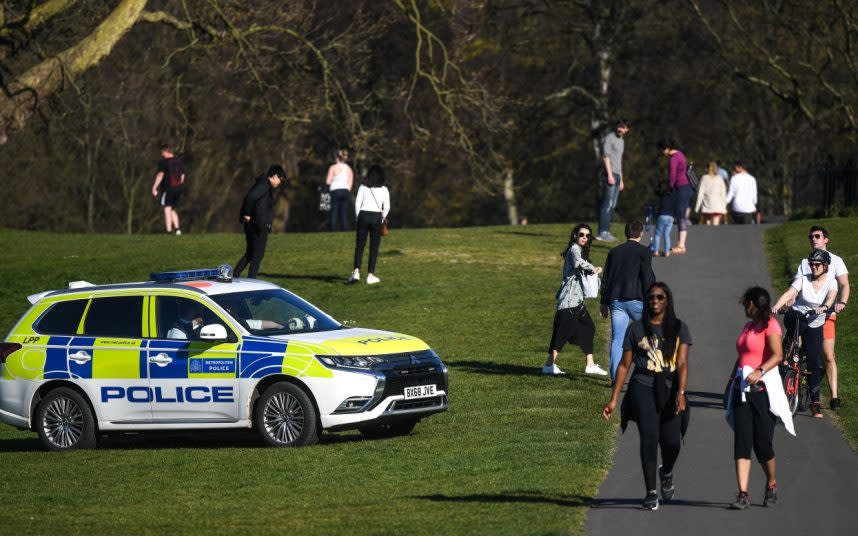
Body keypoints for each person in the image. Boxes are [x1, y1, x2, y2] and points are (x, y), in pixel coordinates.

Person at [602, 282, 691, 511]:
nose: (655, 301)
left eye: (660, 297)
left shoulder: (680, 328)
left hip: (670, 388)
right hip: (642, 386)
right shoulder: (636, 329)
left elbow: (682, 363)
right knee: (649, 438)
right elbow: (624, 365)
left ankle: (667, 471)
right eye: (651, 297)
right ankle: (651, 492)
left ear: (667, 300)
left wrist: (681, 393)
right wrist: (614, 399)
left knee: (672, 441)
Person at [725, 287, 795, 510]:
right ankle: (743, 494)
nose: (744, 307)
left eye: (746, 303)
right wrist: (731, 382)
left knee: (762, 444)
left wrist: (760, 371)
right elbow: (742, 357)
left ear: (754, 304)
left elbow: (777, 355)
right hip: (742, 390)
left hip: (763, 391)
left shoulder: (770, 325)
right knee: (742, 442)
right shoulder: (748, 326)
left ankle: (771, 483)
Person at [771, 249, 838, 418]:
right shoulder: (804, 279)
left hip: (815, 322)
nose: (813, 267)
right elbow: (790, 293)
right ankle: (789, 349)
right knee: (796, 319)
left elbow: (831, 297)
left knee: (814, 363)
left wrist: (824, 307)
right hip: (797, 317)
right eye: (811, 264)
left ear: (825, 266)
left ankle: (815, 404)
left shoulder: (831, 282)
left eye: (817, 265)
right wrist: (777, 306)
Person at [793, 226, 850, 409]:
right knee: (795, 348)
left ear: (826, 239)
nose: (813, 239)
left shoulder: (836, 261)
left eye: (817, 236)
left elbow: (844, 284)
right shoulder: (805, 262)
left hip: (826, 315)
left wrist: (842, 302)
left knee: (828, 354)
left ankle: (834, 397)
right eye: (811, 237)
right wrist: (791, 299)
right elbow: (796, 284)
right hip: (805, 313)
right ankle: (791, 385)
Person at [543, 224, 606, 376]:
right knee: (561, 334)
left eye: (587, 236)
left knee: (588, 327)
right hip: (569, 301)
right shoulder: (574, 250)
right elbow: (578, 263)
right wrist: (594, 268)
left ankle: (590, 364)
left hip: (577, 302)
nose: (584, 237)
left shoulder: (580, 251)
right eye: (581, 234)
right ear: (575, 236)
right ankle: (548, 365)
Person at [600, 220, 656, 381]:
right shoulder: (644, 252)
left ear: (626, 233)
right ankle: (649, 374)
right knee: (649, 336)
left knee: (617, 340)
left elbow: (606, 278)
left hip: (616, 301)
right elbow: (647, 277)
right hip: (637, 300)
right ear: (641, 233)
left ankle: (616, 379)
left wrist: (603, 301)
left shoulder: (614, 252)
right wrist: (652, 300)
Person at [234, 165, 285, 279]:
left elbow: (251, 199)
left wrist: (246, 215)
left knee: (251, 253)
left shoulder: (262, 184)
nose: (280, 182)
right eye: (280, 179)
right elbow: (250, 198)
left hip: (256, 224)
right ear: (275, 176)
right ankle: (251, 281)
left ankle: (234, 276)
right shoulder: (264, 185)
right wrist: (246, 214)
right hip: (259, 225)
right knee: (258, 255)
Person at [349, 164, 390, 285]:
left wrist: (358, 217)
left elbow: (357, 204)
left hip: (363, 215)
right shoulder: (384, 189)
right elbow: (387, 207)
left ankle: (356, 272)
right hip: (376, 217)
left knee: (360, 246)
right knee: (374, 247)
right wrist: (381, 220)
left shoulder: (363, 187)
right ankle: (370, 276)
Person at [597, 119, 630, 242]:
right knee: (607, 203)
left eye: (623, 127)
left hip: (617, 174)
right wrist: (609, 175)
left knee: (613, 204)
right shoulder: (609, 138)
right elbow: (606, 157)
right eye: (619, 126)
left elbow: (619, 161)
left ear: (627, 129)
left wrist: (621, 179)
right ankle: (602, 232)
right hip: (609, 174)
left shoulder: (621, 141)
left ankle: (607, 232)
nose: (620, 129)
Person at [656, 139, 691, 254]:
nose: (662, 152)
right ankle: (681, 244)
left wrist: (669, 188)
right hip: (686, 187)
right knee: (681, 215)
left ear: (667, 148)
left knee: (680, 216)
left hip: (680, 187)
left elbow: (672, 175)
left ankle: (681, 245)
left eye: (662, 149)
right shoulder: (681, 154)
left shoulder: (674, 158)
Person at [151, 143, 186, 235]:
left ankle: (169, 232)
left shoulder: (163, 162)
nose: (162, 154)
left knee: (167, 209)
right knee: (172, 209)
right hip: (178, 189)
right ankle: (178, 230)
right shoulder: (179, 161)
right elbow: (182, 176)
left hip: (168, 189)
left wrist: (154, 187)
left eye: (162, 152)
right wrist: (179, 186)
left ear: (166, 151)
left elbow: (160, 175)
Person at [326, 148, 354, 231]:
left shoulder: (333, 167)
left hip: (335, 191)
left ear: (337, 158)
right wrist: (347, 190)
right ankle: (344, 230)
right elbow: (350, 182)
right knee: (344, 213)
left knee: (334, 213)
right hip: (345, 191)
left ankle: (333, 230)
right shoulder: (349, 169)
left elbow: (328, 181)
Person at [694, 161, 728, 225]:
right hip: (718, 207)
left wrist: (697, 208)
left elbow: (700, 193)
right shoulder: (720, 179)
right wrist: (724, 208)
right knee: (715, 226)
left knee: (708, 226)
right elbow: (723, 194)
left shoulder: (704, 178)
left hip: (707, 206)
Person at [650, 180, 675, 257]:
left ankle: (656, 251)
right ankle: (667, 252)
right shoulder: (672, 197)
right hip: (670, 217)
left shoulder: (661, 196)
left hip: (662, 216)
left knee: (658, 234)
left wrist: (658, 185)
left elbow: (656, 191)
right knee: (667, 234)